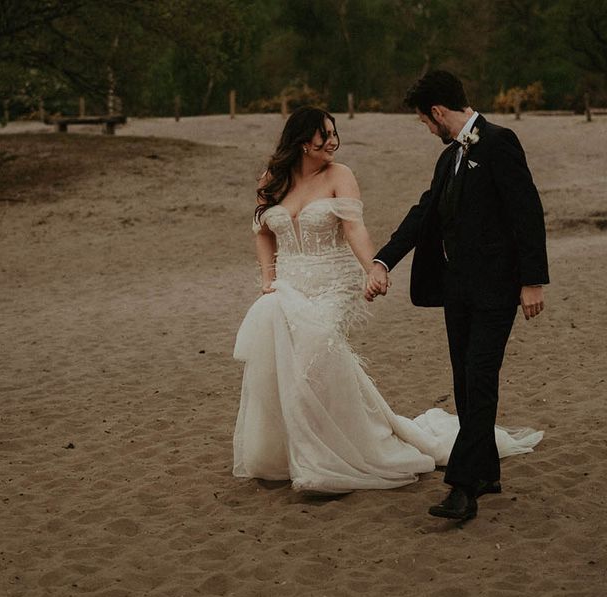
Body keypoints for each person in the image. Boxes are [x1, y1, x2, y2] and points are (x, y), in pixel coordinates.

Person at [232, 106, 541, 495]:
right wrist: (268, 279)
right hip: (288, 285)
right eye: (323, 135)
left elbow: (354, 228)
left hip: (333, 283)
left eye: (334, 133)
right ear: (301, 141)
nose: (332, 141)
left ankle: (325, 457)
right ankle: (292, 451)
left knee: (314, 354)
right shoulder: (272, 180)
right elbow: (262, 229)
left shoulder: (339, 175)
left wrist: (373, 268)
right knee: (278, 363)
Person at [366, 70, 549, 520]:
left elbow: (527, 211)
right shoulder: (449, 158)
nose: (427, 130)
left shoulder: (500, 142)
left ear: (437, 111)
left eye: (425, 122)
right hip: (457, 290)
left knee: (480, 378)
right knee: (465, 386)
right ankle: (486, 471)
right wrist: (383, 260)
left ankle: (463, 488)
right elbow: (424, 212)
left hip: (497, 290)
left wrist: (532, 281)